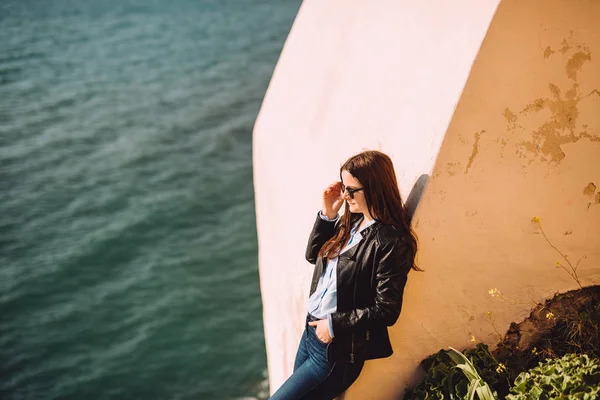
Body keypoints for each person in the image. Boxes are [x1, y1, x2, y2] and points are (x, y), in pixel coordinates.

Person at [269, 150, 420, 400]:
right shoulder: (350, 223)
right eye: (344, 187)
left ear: (374, 188)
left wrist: (333, 325)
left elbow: (387, 309)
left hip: (336, 351)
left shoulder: (391, 241)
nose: (345, 195)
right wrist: (327, 215)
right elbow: (313, 256)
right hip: (310, 334)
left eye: (352, 190)